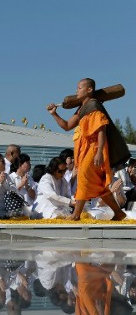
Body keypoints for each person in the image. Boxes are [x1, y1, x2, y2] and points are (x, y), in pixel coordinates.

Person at [47, 78, 126, 221]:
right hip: (84, 150)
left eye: (79, 88)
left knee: (82, 177)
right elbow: (66, 125)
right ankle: (118, 212)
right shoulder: (81, 109)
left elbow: (101, 130)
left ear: (89, 90)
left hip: (94, 148)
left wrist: (99, 152)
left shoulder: (94, 105)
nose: (76, 90)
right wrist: (54, 113)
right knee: (99, 184)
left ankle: (76, 214)